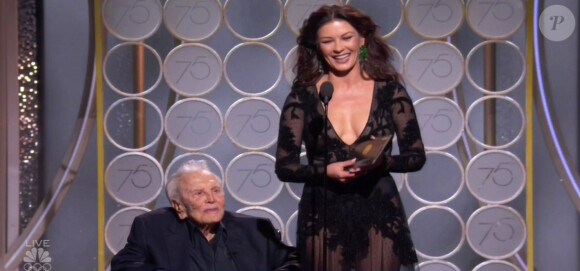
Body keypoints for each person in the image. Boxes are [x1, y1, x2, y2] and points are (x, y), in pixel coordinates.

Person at [275, 4, 426, 271]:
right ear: (317, 47)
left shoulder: (390, 92)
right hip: (321, 212)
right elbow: (284, 167)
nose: (338, 48)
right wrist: (325, 171)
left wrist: (382, 162)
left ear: (362, 39)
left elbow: (416, 157)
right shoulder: (302, 97)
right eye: (327, 41)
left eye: (346, 37)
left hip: (378, 209)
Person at [111, 159, 300, 271]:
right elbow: (125, 266)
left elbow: (295, 261)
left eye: (216, 190)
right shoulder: (152, 227)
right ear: (179, 207)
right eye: (199, 193)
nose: (211, 199)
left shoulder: (255, 229)